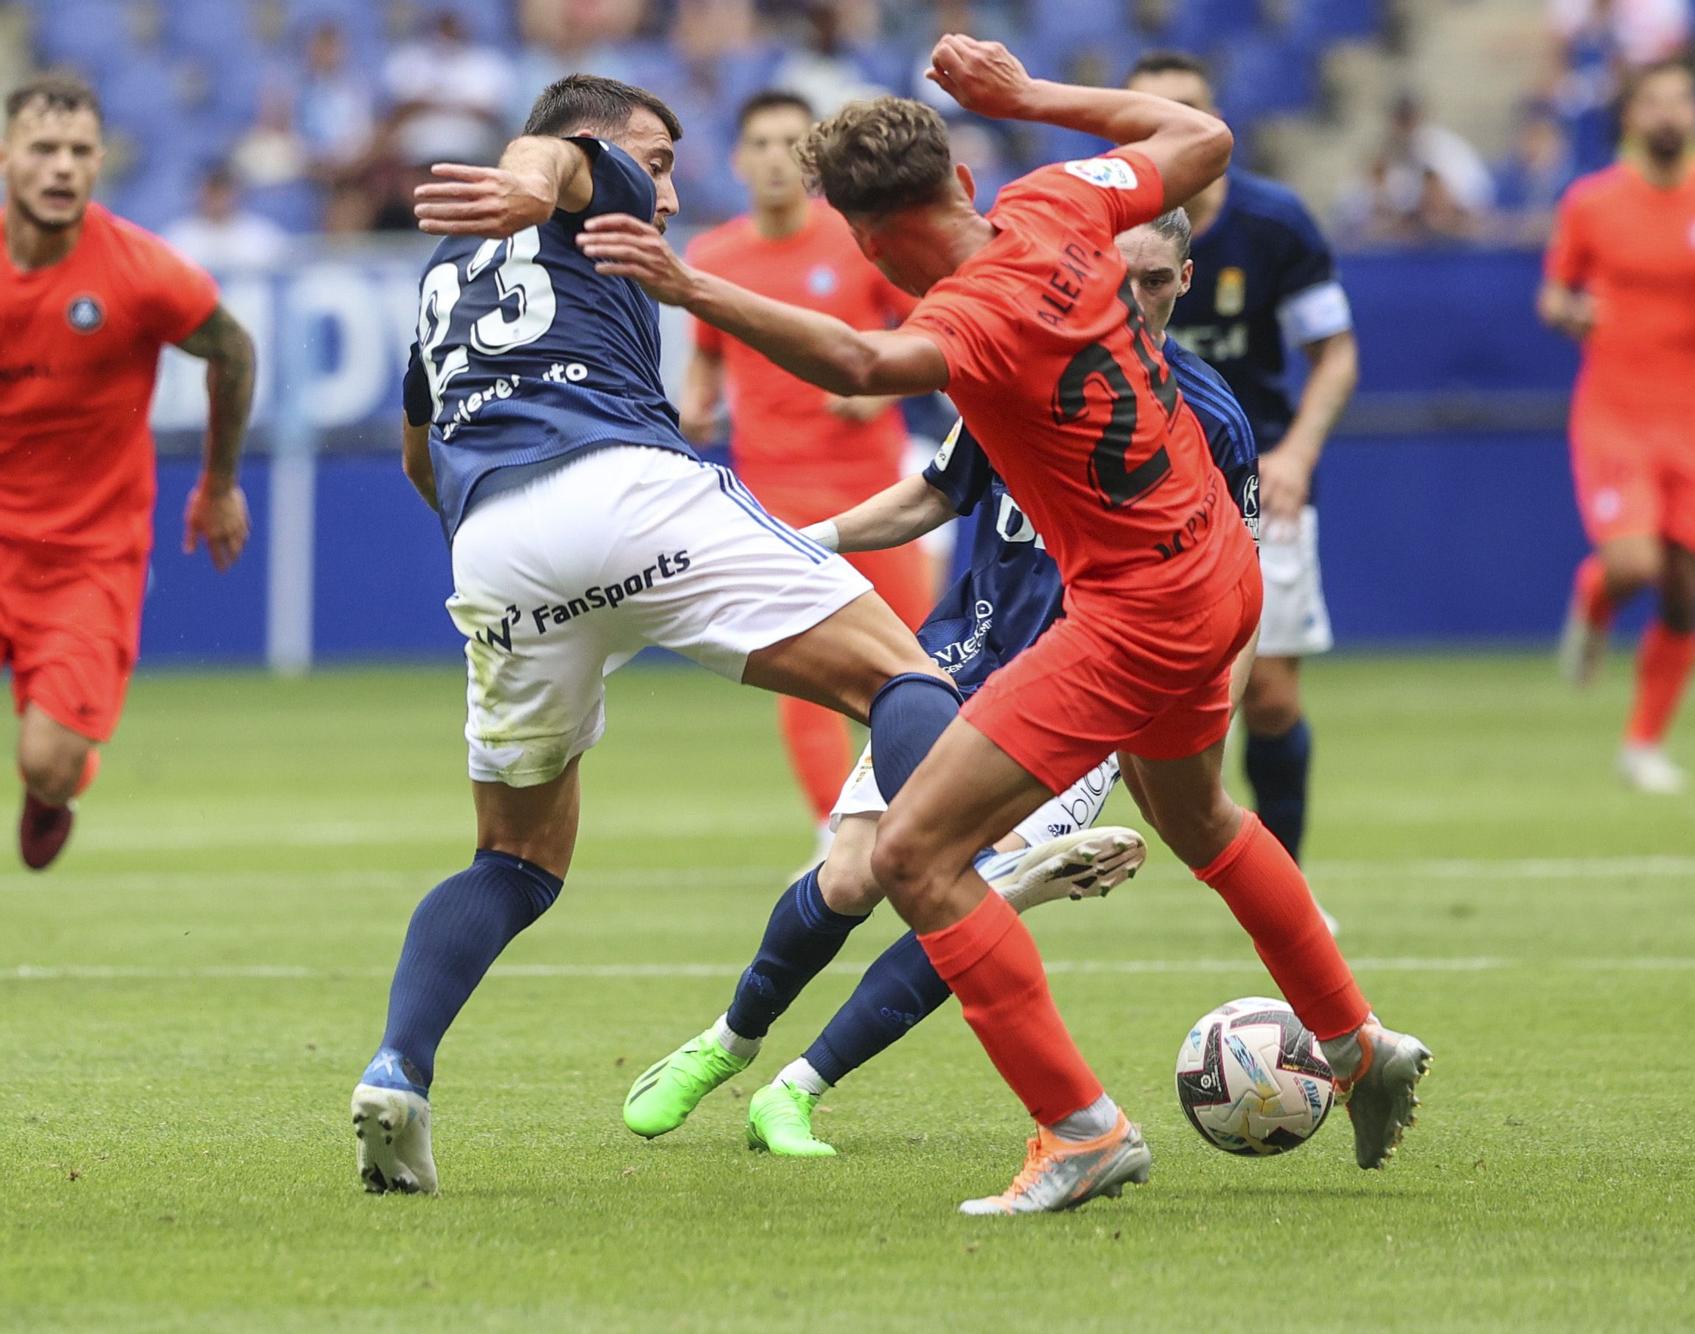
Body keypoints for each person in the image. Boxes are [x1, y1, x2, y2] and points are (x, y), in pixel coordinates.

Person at [577, 36, 1430, 1216]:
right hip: (1219, 571)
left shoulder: (970, 316)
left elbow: (864, 359)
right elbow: (1201, 140)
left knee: (910, 857)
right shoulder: (1058, 201)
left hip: (1134, 612)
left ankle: (1079, 1129)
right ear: (963, 182)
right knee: (1200, 816)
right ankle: (1352, 1039)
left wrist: (687, 286)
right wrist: (1028, 97)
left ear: (871, 244)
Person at [350, 74, 965, 1196]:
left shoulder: (445, 276)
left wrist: (519, 548)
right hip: (629, 486)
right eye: (663, 160)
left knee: (514, 861)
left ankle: (398, 1066)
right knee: (903, 678)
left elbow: (416, 454)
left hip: (493, 543)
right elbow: (557, 164)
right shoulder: (586, 180)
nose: (671, 192)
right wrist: (535, 177)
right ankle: (983, 878)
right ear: (602, 144)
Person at [622, 209, 1262, 1158]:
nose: (1132, 299)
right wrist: (817, 538)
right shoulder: (1022, 371)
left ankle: (797, 1090)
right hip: (958, 664)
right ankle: (729, 1042)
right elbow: (934, 492)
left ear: (1186, 281)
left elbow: (1235, 585)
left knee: (963, 888)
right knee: (849, 874)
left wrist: (1203, 725)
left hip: (1086, 698)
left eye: (1156, 281)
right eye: (1116, 277)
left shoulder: (1210, 420)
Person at [0, 74, 255, 871]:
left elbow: (233, 351)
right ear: (7, 157)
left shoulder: (140, 272)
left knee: (47, 759)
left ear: (100, 162)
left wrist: (217, 485)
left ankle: (57, 783)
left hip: (85, 556)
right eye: (43, 149)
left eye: (78, 152)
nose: (61, 168)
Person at [1122, 52, 1359, 863]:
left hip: (1253, 473)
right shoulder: (1094, 224)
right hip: (1122, 485)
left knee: (1266, 692)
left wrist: (1294, 452)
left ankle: (1283, 876)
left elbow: (1336, 353)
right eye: (1150, 112)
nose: (1170, 128)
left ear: (1214, 120)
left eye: (1187, 108)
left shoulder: (1274, 222)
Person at [683, 90, 934, 852]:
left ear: (816, 159)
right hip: (777, 497)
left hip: (881, 493)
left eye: (792, 142)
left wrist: (883, 382)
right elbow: (707, 353)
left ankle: (934, 821)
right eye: (759, 142)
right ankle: (842, 836)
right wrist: (695, 408)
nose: (774, 158)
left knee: (922, 660)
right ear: (737, 158)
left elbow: (935, 324)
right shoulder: (714, 257)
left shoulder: (856, 241)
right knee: (806, 679)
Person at [1541, 59, 1695, 794]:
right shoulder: (1592, 202)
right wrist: (1572, 313)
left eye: (1682, 99)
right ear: (1631, 116)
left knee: (1685, 587)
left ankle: (1643, 743)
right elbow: (1553, 295)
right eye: (1654, 101)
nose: (1669, 113)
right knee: (1633, 566)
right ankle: (1594, 599)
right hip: (1615, 411)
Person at [164, 164, 291, 270]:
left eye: (223, 193)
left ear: (236, 195)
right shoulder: (179, 235)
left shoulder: (261, 234)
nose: (217, 201)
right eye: (212, 193)